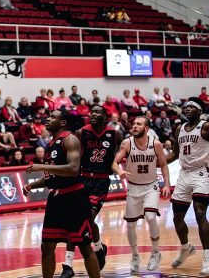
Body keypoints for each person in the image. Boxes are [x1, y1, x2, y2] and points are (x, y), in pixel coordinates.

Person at [23, 110, 100, 278]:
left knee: (85, 246)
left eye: (53, 117)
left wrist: (42, 167)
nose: (47, 119)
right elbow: (52, 176)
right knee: (46, 246)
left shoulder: (70, 139)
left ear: (63, 122)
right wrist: (32, 185)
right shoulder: (50, 144)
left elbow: (73, 169)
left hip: (74, 198)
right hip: (56, 199)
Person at [60, 105, 123, 277]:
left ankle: (70, 263)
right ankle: (92, 251)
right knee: (78, 220)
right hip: (83, 179)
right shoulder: (81, 133)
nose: (93, 114)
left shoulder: (114, 134)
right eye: (92, 112)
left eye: (97, 112)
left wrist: (119, 171)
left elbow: (113, 160)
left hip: (101, 182)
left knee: (84, 219)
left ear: (105, 116)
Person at [112, 116, 170, 275]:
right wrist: (120, 171)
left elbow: (164, 164)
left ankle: (156, 252)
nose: (134, 126)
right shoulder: (127, 143)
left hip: (151, 186)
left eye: (139, 124)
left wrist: (166, 184)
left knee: (151, 217)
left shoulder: (156, 144)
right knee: (130, 225)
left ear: (146, 128)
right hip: (133, 188)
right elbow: (114, 162)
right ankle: (135, 256)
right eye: (134, 124)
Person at [165, 97, 209, 276]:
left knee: (200, 213)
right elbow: (175, 153)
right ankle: (186, 248)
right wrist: (156, 161)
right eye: (186, 107)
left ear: (200, 111)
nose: (188, 109)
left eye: (192, 107)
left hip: (202, 173)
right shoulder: (179, 129)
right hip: (184, 174)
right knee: (177, 218)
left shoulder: (205, 127)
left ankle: (207, 257)